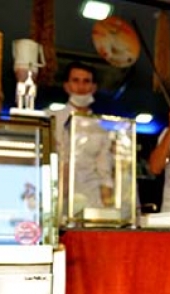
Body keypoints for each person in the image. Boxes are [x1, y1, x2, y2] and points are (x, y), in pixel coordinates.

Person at [53, 61, 114, 213]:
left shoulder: (101, 127)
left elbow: (104, 170)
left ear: (93, 87)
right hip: (57, 196)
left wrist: (108, 208)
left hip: (91, 200)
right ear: (66, 86)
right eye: (75, 80)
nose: (81, 86)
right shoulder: (52, 119)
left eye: (86, 81)